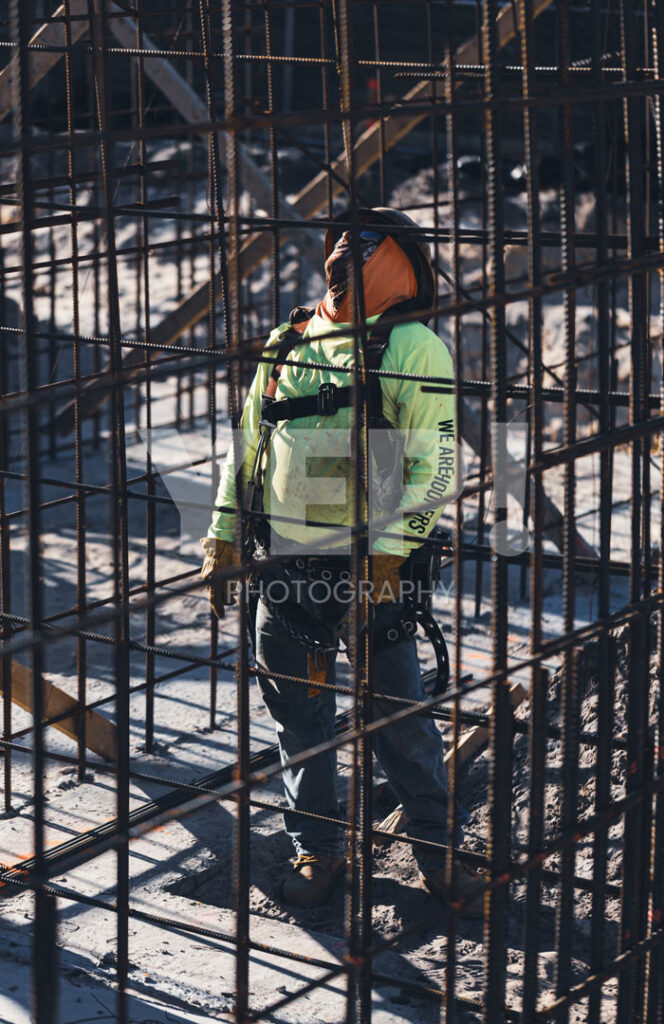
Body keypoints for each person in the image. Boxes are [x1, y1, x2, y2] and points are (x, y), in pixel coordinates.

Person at [200, 208, 483, 912]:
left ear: (396, 261)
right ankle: (317, 851)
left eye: (363, 245)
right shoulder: (288, 337)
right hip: (285, 563)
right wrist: (223, 533)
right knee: (298, 718)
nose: (342, 256)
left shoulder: (413, 346)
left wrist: (390, 555)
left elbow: (436, 464)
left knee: (397, 720)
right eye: (339, 242)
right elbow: (248, 443)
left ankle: (437, 855)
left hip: (368, 570)